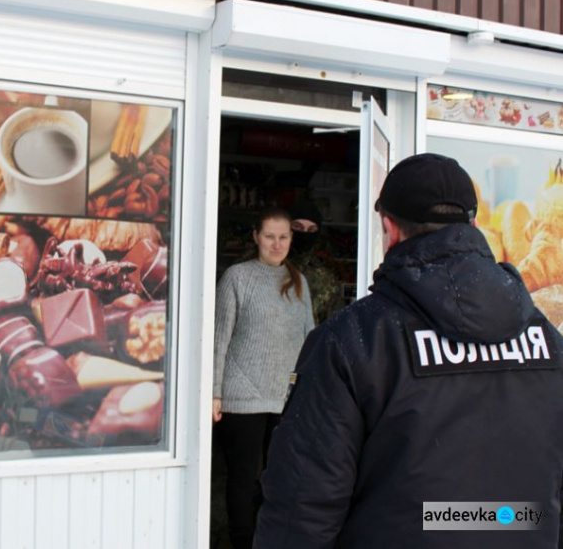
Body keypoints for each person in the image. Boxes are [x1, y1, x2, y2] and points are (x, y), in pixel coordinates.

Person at [253, 153, 563, 548]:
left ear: (390, 229)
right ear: (474, 225)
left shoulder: (352, 341)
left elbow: (301, 510)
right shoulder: (547, 341)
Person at [213, 206, 315, 549]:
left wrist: (309, 391)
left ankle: (268, 539)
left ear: (292, 239)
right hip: (240, 397)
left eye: (283, 237)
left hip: (285, 397)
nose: (276, 244)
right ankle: (242, 542)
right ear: (256, 236)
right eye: (269, 236)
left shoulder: (299, 282)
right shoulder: (237, 277)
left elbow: (309, 340)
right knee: (242, 479)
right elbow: (218, 338)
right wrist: (214, 393)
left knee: (279, 478)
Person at [287, 201, 342, 324]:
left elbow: (334, 327)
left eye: (312, 230)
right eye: (297, 227)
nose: (304, 233)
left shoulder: (326, 279)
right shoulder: (263, 267)